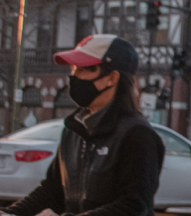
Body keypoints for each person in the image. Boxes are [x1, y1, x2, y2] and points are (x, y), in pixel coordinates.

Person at [1, 34, 164, 216]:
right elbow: (52, 191)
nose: (73, 77)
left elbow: (133, 206)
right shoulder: (74, 130)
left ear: (112, 78)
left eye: (83, 69)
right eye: (73, 69)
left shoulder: (137, 135)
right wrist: (9, 213)